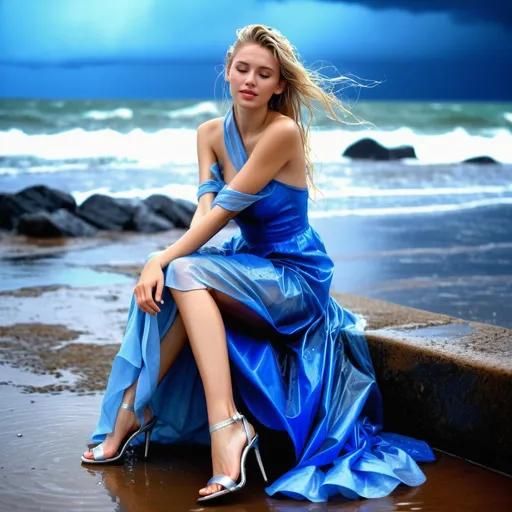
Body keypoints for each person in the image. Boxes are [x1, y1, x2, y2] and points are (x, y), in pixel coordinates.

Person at [81, 24, 434, 503]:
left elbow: (227, 209)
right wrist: (160, 260)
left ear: (279, 85)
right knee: (179, 270)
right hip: (248, 267)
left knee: (179, 269)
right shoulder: (208, 134)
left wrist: (159, 258)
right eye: (242, 68)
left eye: (264, 74)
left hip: (294, 277)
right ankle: (136, 411)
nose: (250, 79)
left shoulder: (282, 132)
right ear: (227, 71)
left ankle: (217, 426)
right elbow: (205, 214)